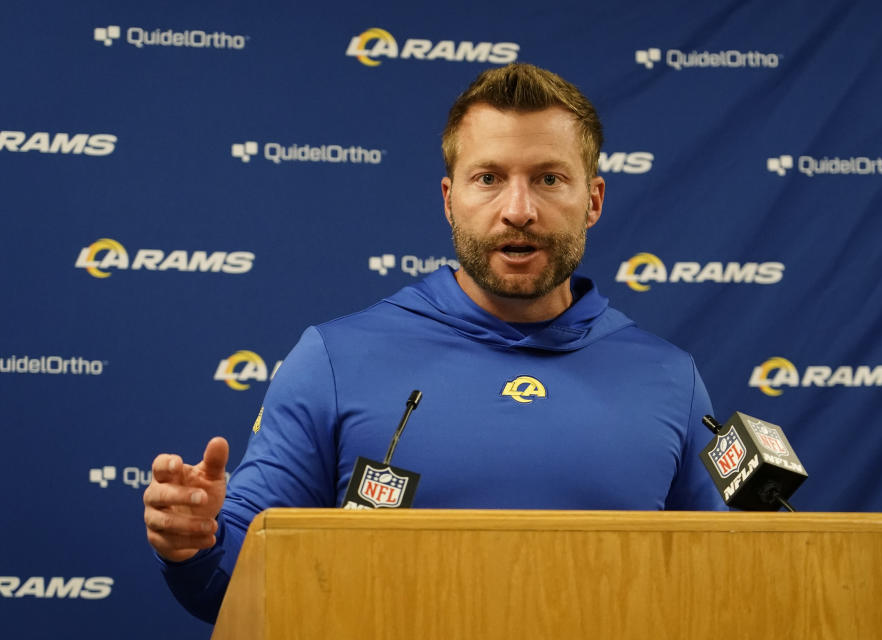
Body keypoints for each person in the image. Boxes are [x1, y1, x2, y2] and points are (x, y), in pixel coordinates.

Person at [143, 63, 726, 624]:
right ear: (449, 198)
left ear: (593, 201)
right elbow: (238, 586)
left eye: (548, 179)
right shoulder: (334, 360)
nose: (518, 210)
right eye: (489, 178)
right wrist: (194, 543)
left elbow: (726, 587)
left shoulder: (671, 380)